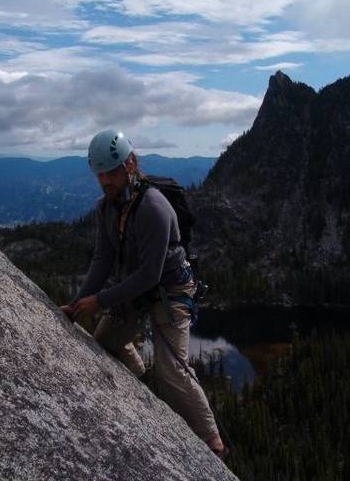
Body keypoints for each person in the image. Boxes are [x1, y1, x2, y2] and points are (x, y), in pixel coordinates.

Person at [61, 129, 225, 457]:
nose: (105, 180)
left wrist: (101, 301)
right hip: (140, 289)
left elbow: (151, 275)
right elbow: (103, 258)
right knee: (106, 340)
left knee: (172, 371)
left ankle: (213, 443)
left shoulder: (153, 207)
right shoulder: (106, 208)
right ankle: (136, 375)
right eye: (100, 174)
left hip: (171, 290)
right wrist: (80, 303)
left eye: (111, 171)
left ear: (131, 165)